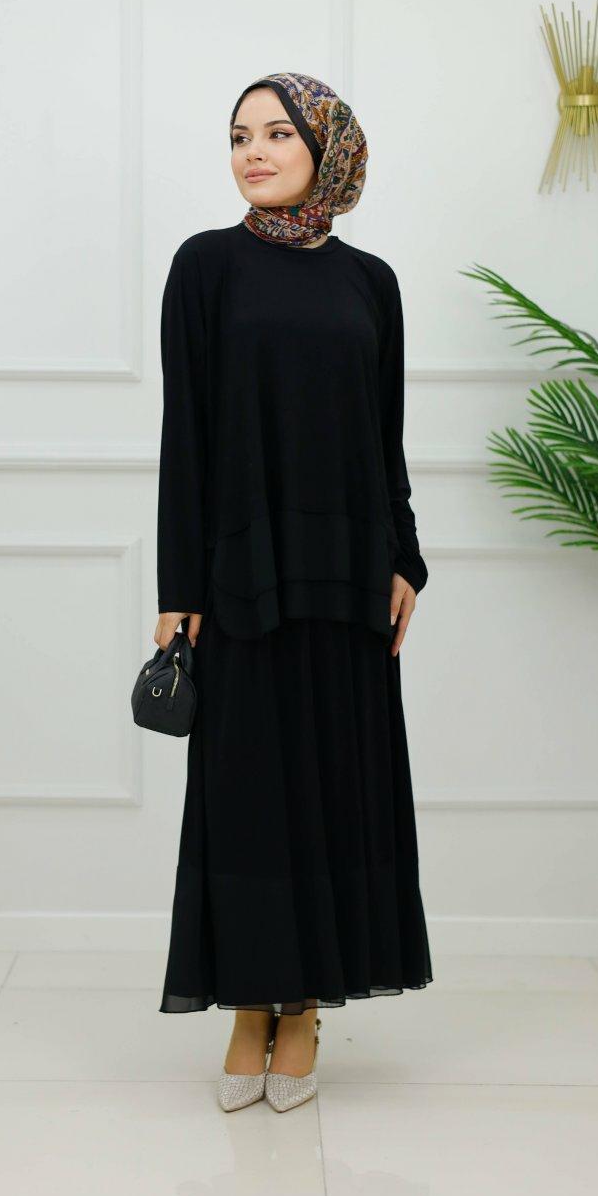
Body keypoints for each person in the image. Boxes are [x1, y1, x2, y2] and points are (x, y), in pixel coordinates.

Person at [154, 71, 433, 1113]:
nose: (254, 152)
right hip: (241, 572)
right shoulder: (204, 267)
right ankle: (247, 1006)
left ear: (327, 149)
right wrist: (178, 586)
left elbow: (384, 435)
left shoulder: (372, 283)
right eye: (239, 136)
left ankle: (305, 1007)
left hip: (352, 571)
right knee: (244, 793)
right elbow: (186, 436)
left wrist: (405, 559)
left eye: (277, 133)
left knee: (331, 786)